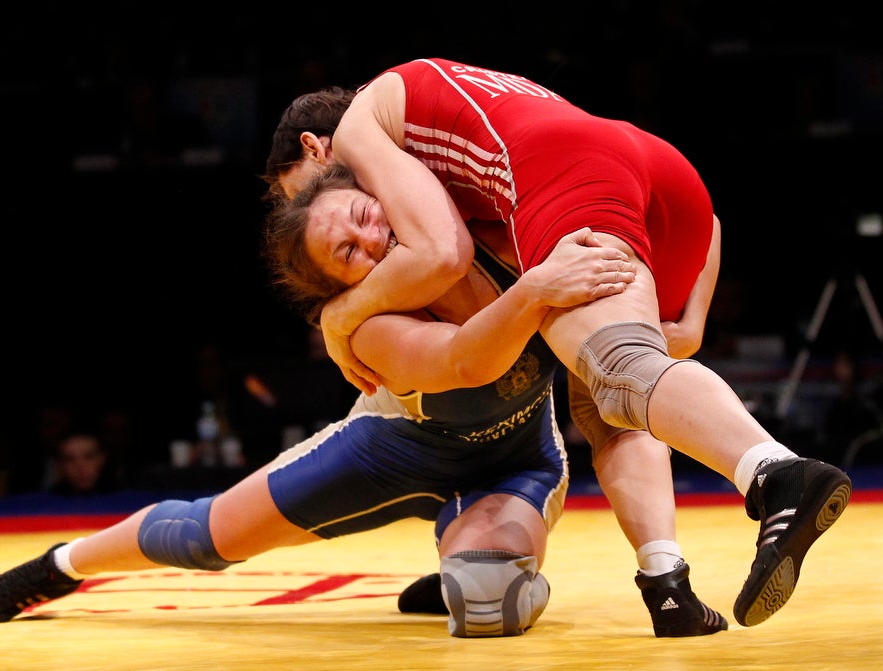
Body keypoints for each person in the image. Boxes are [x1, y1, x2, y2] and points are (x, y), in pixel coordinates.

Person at [261, 58, 852, 629]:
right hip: (657, 176)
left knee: (619, 371)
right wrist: (692, 318)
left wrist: (338, 319)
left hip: (569, 173)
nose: (313, 210)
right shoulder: (427, 161)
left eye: (304, 194)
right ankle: (666, 583)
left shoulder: (364, 126)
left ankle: (776, 474)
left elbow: (445, 257)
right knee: (605, 404)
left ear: (317, 148)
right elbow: (705, 223)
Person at [0, 222, 645, 638]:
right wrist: (534, 291)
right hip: (389, 450)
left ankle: (465, 565)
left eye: (369, 219)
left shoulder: (492, 228)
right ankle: (60, 564)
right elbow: (464, 359)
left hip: (513, 461)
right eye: (349, 250)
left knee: (490, 606)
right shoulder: (369, 318)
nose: (373, 241)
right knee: (205, 535)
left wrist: (675, 321)